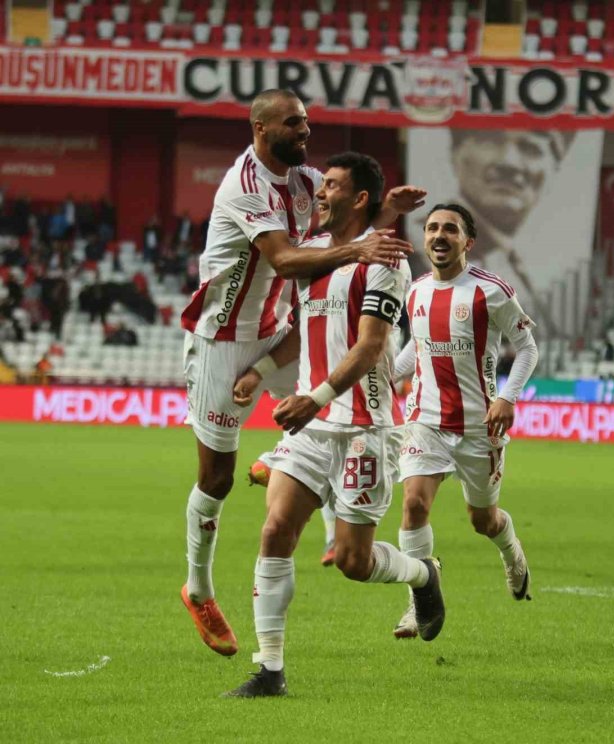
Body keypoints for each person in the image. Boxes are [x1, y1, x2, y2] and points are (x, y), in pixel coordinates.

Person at [179, 89, 425, 658]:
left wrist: (385, 212)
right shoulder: (244, 186)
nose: (306, 131)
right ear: (261, 129)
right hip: (221, 338)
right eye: (295, 123)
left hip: (277, 329)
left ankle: (312, 492)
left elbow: (344, 218)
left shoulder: (304, 178)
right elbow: (287, 260)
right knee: (216, 480)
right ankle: (198, 589)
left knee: (332, 399)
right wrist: (360, 248)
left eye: (309, 122)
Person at [223, 152, 443, 698]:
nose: (319, 194)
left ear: (360, 198)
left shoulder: (387, 260)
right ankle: (269, 670)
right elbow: (305, 333)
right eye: (321, 185)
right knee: (275, 532)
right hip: (312, 426)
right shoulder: (315, 255)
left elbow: (371, 348)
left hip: (365, 427)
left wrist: (314, 397)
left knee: (352, 561)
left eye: (333, 187)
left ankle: (422, 574)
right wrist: (262, 369)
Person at [390, 203, 539, 640]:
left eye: (449, 229)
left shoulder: (491, 291)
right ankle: (419, 601)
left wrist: (508, 397)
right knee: (414, 503)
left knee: (483, 519)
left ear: (467, 242)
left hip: (479, 427)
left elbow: (528, 348)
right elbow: (413, 350)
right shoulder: (415, 291)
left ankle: (512, 554)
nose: (439, 235)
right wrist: (380, 374)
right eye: (432, 227)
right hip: (425, 420)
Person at [412, 129, 574, 334]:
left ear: (554, 170)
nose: (509, 162)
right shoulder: (420, 246)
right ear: (455, 155)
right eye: (489, 141)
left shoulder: (523, 264)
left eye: (531, 148)